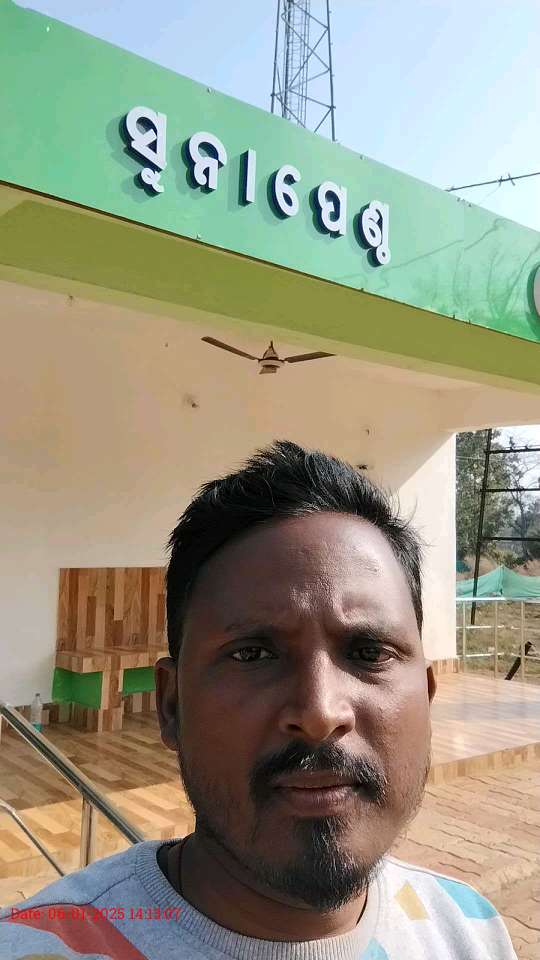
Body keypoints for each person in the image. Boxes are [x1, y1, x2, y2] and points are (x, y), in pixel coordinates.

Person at [1, 440, 517, 959]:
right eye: (252, 654)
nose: (320, 713)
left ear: (427, 697)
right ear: (171, 705)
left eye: (368, 652)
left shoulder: (468, 932)